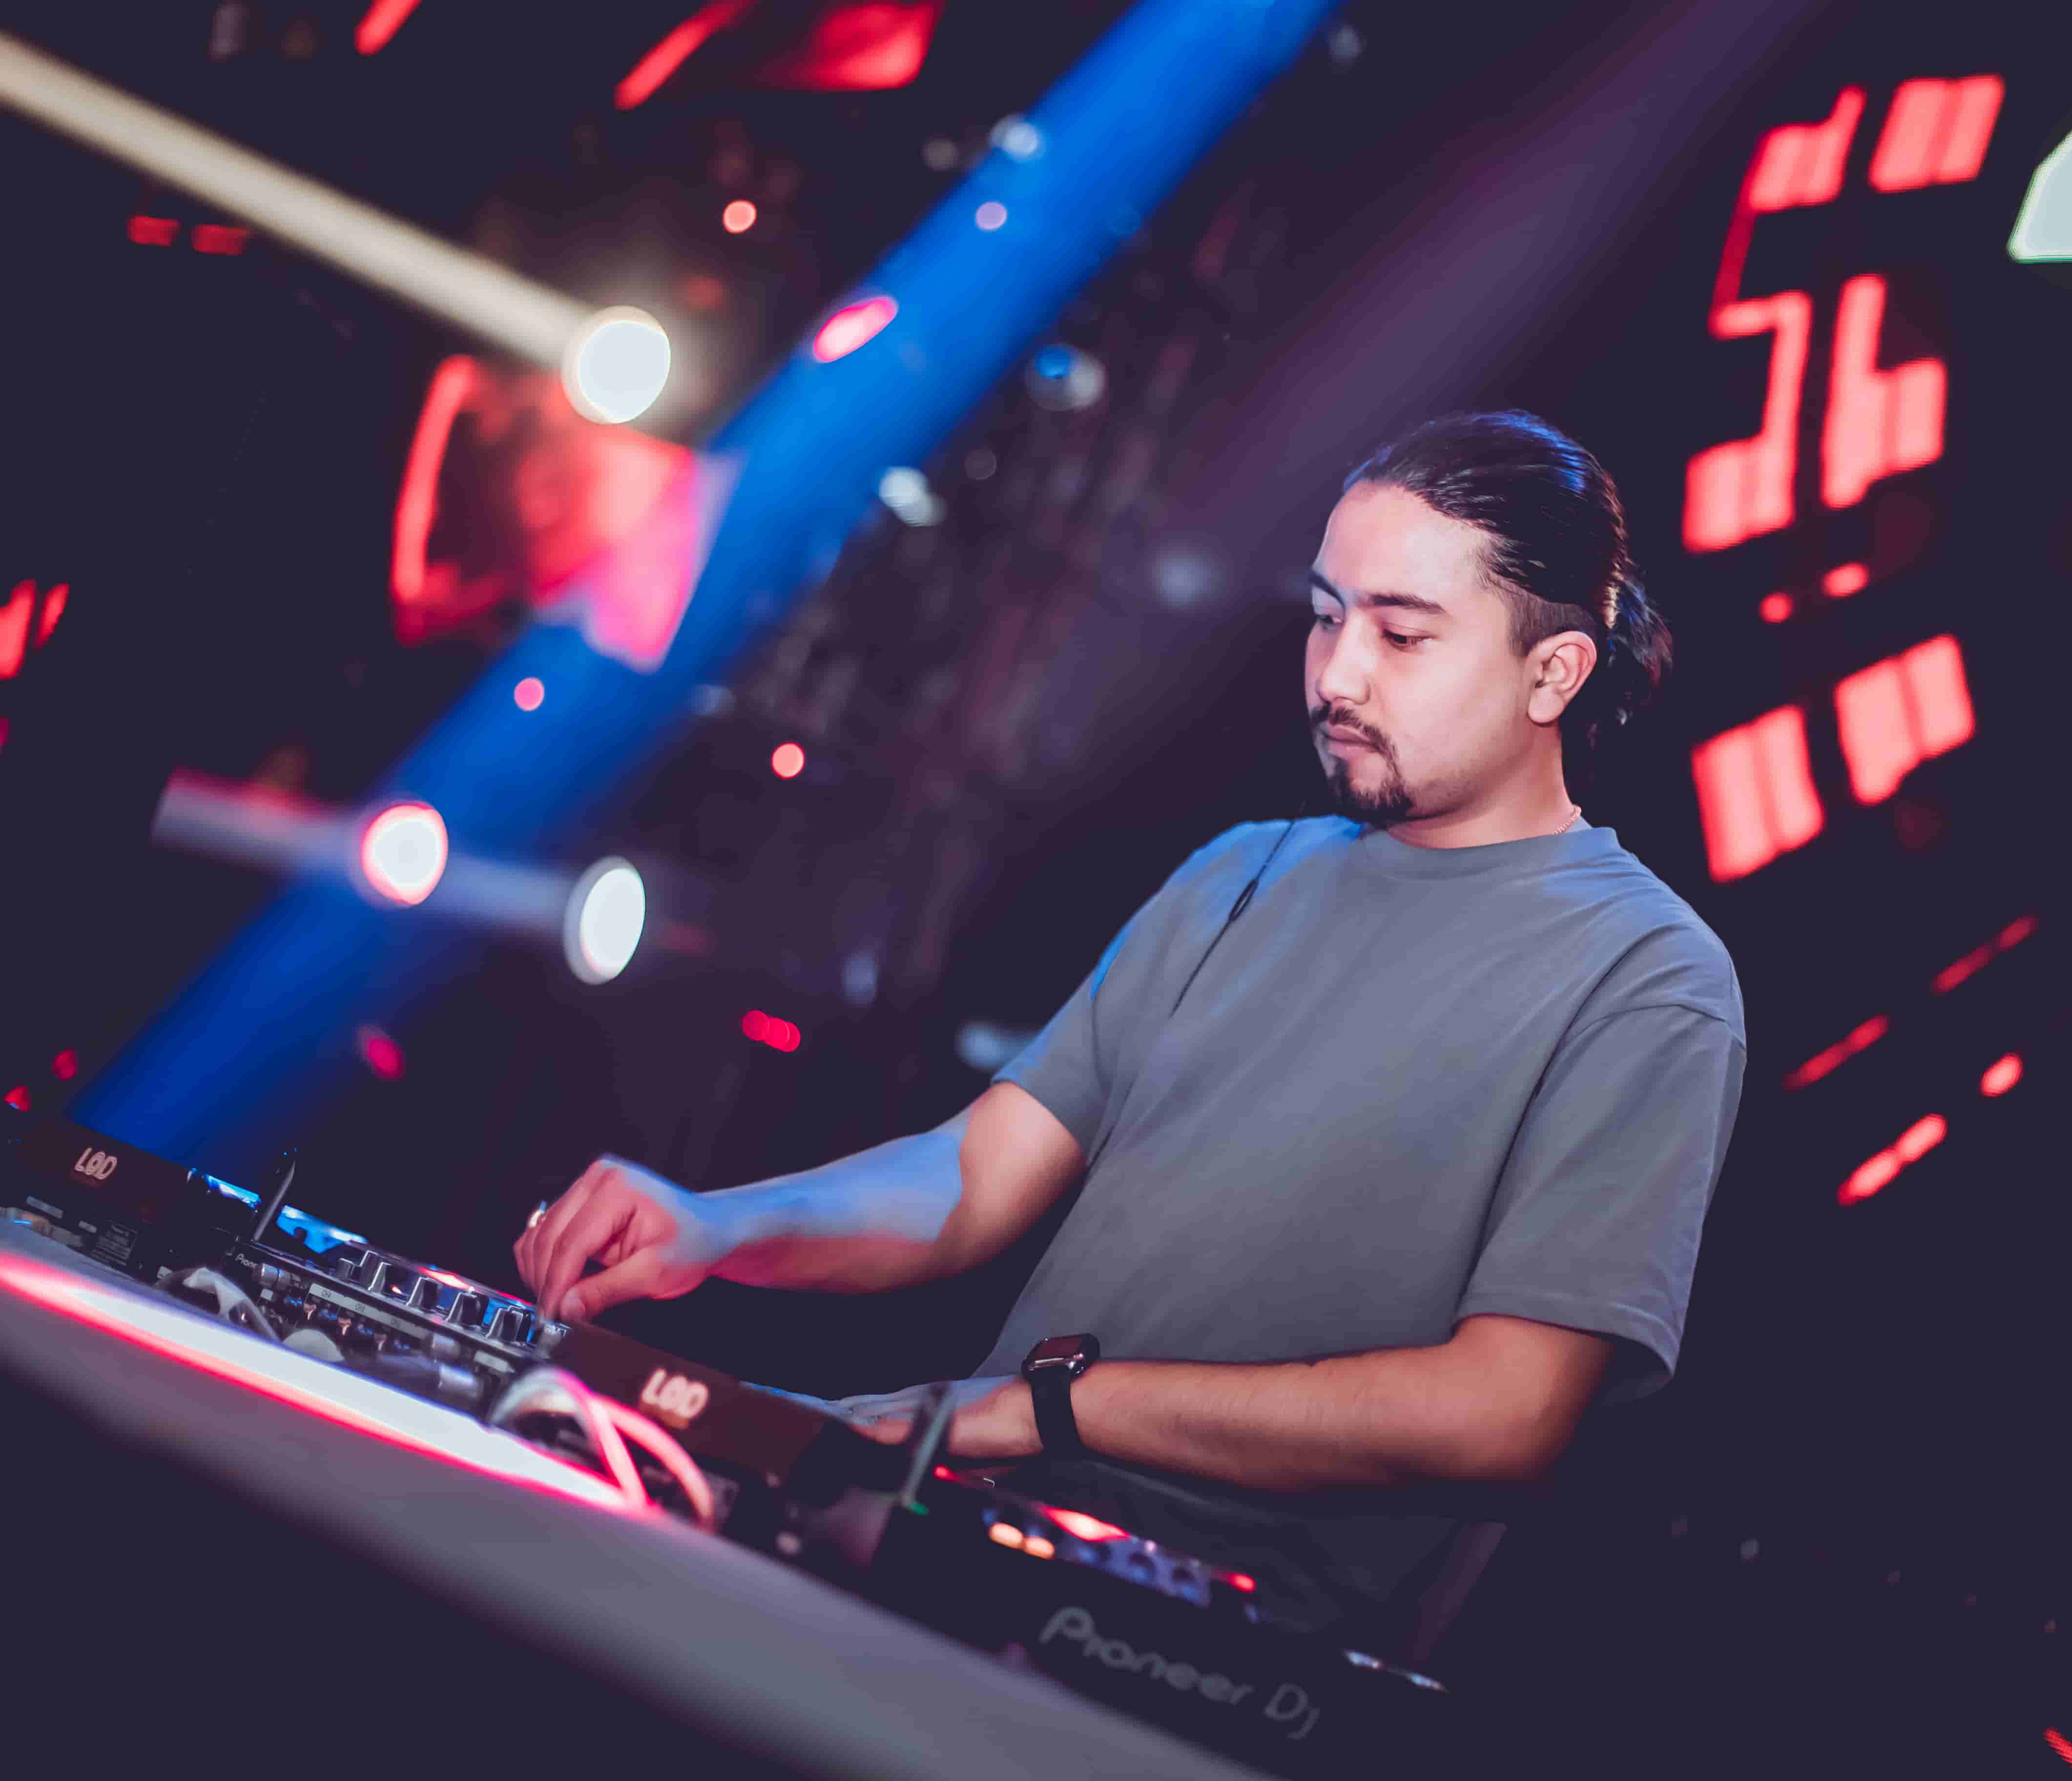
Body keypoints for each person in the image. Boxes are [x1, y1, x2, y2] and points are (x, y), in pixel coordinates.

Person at [514, 410, 1748, 1662]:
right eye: (1325, 616)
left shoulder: (1647, 978)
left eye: (1402, 634)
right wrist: (718, 1228)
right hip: (961, 1493)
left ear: (1555, 673)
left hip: (1209, 1631)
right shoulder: (1243, 872)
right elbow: (976, 1177)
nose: (1337, 676)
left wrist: (1053, 1410)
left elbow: (1504, 1412)